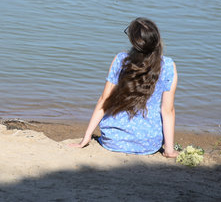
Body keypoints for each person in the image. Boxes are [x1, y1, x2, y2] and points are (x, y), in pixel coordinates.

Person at [70, 17, 178, 158]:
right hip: (148, 143)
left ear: (134, 42)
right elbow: (167, 111)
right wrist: (169, 150)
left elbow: (104, 100)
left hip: (114, 139)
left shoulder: (121, 60)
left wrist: (86, 137)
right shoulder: (168, 66)